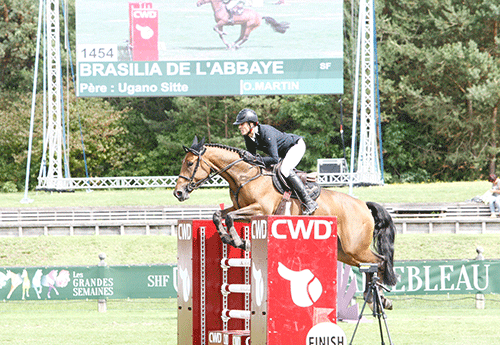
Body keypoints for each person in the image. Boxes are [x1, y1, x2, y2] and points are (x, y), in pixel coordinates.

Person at [233, 108, 318, 215]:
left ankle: (309, 202)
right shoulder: (248, 137)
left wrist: (254, 159)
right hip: (284, 153)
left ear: (251, 124)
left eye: (242, 124)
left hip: (296, 146)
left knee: (285, 170)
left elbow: (274, 159)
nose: (239, 127)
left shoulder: (266, 132)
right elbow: (253, 159)